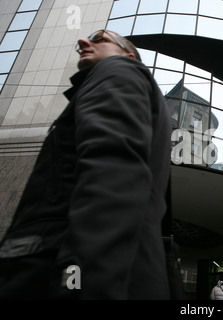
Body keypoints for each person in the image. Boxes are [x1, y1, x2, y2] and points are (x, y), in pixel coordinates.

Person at [0, 30, 171, 299]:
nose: (83, 42)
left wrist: (77, 286)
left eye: (100, 39)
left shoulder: (118, 70)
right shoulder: (127, 82)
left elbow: (113, 175)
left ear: (128, 55)